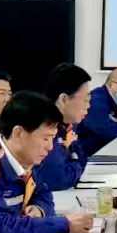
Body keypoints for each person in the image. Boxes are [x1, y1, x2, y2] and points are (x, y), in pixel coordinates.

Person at [0, 91, 94, 233]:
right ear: (19, 133)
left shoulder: (27, 161)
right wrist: (63, 225)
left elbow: (44, 195)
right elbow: (0, 228)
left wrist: (40, 210)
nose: (50, 147)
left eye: (53, 138)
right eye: (45, 138)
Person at [36, 62, 93, 191]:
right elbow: (59, 180)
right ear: (63, 99)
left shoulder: (68, 125)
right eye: (85, 100)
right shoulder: (44, 128)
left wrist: (74, 163)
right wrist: (76, 163)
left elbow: (82, 157)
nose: (88, 106)